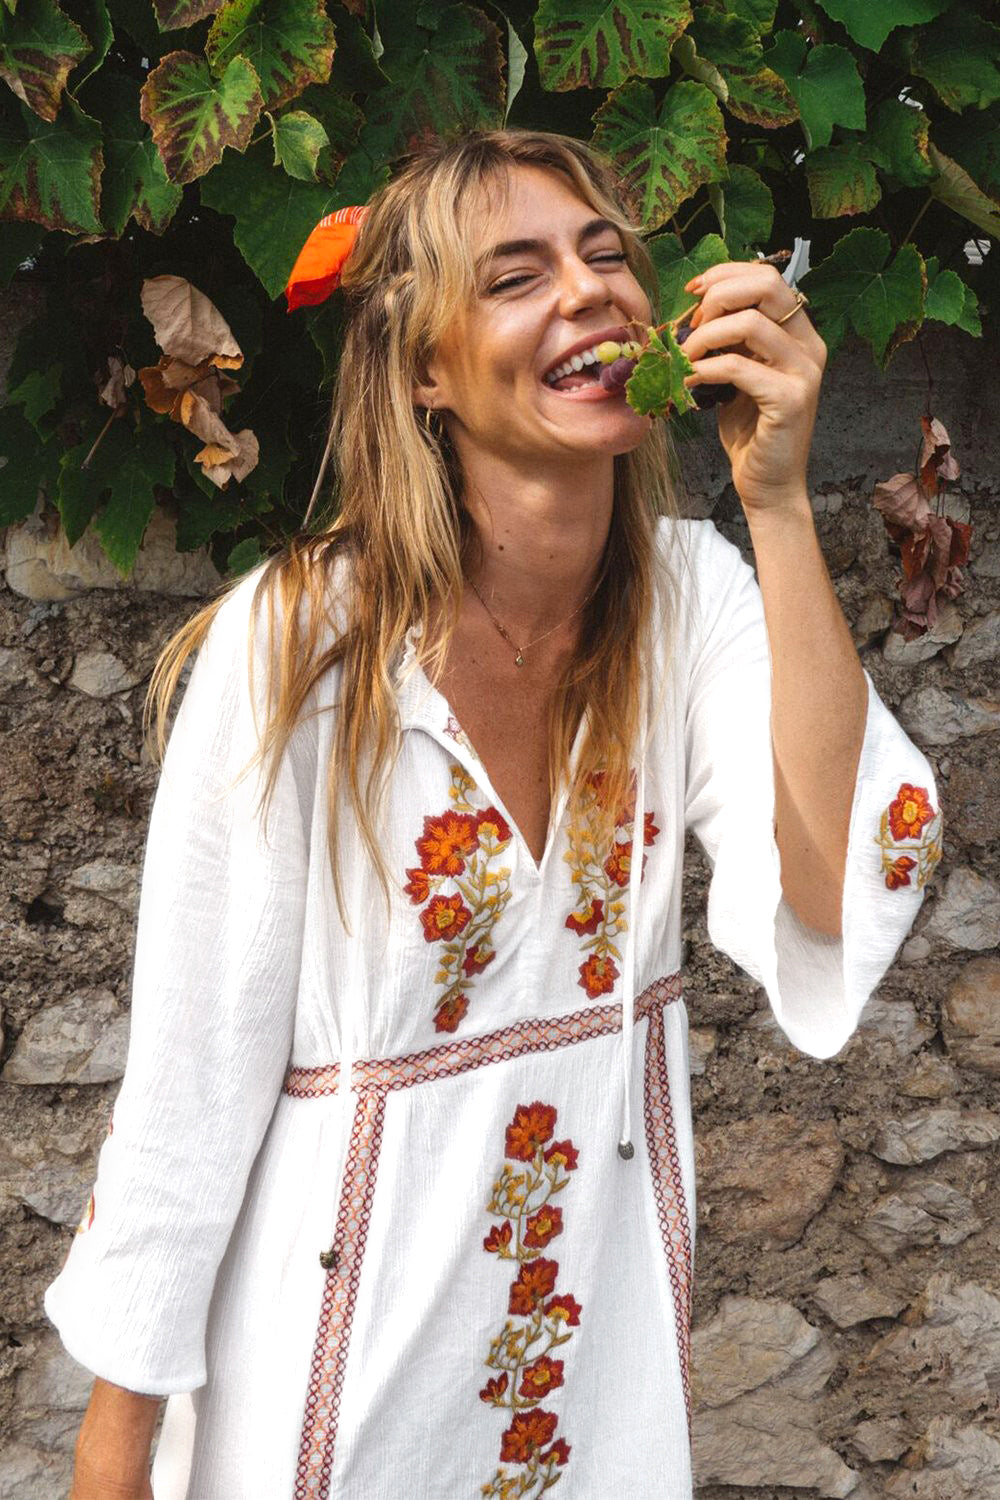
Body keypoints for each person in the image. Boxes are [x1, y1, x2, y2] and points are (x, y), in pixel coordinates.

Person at [47, 128, 942, 1499]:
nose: (589, 292)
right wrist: (109, 1469)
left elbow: (827, 885)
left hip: (588, 1387)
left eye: (606, 258)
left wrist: (773, 505)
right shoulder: (299, 651)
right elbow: (186, 1100)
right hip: (328, 1394)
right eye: (515, 274)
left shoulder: (694, 596)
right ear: (423, 369)